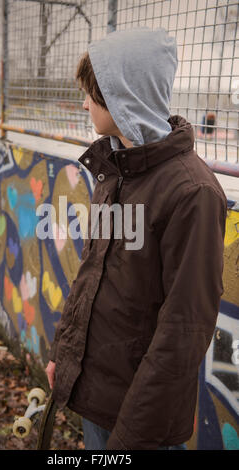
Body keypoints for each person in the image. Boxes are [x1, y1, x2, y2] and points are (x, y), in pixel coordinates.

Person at [45, 27, 227, 450]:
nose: (85, 102)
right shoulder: (117, 165)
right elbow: (93, 273)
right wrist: (64, 354)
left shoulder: (191, 193)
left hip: (140, 423)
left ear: (123, 96)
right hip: (98, 399)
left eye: (94, 92)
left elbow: (184, 329)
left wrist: (131, 438)